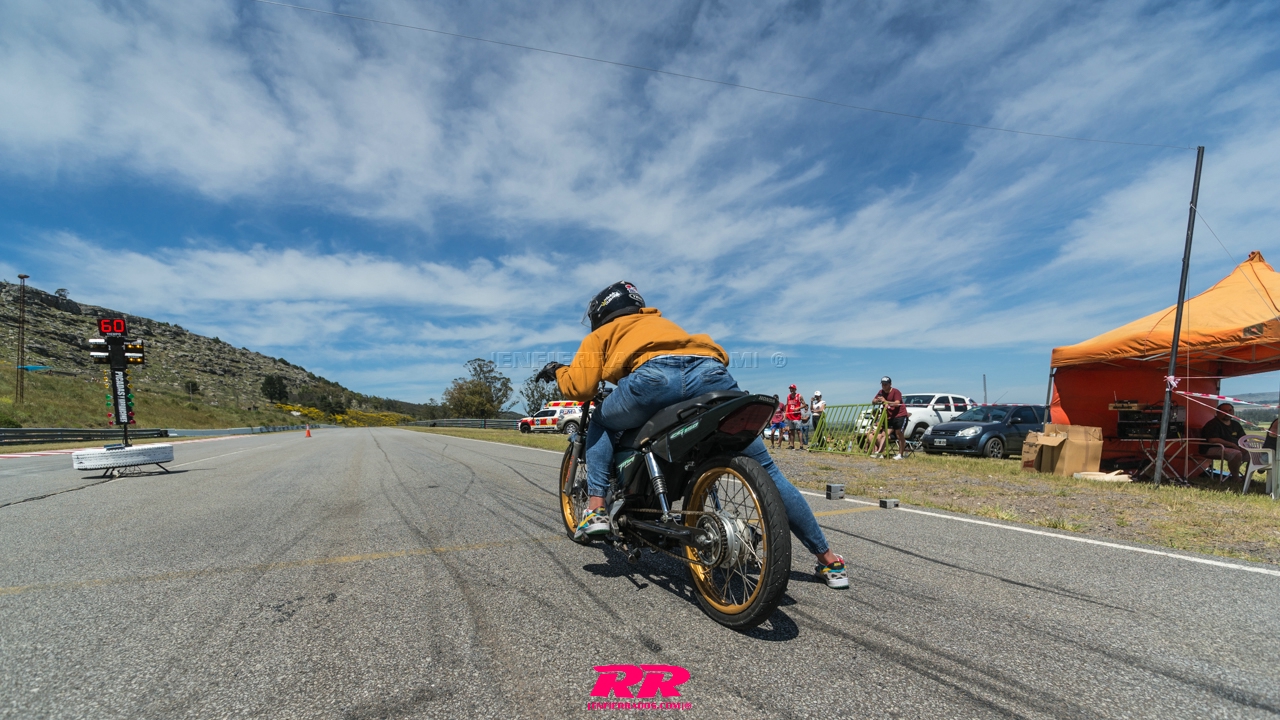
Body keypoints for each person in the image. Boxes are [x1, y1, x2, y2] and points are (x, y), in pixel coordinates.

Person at [536, 281, 849, 588]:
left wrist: (559, 371)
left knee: (602, 422)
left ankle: (595, 509)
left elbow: (581, 387)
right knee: (769, 473)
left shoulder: (603, 333)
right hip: (712, 374)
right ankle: (829, 560)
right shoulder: (663, 324)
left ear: (601, 313)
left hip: (653, 380)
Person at [1200, 403, 1247, 483]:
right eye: (1224, 411)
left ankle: (1247, 478)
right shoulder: (1213, 424)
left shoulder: (1236, 424)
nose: (1227, 413)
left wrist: (1244, 447)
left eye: (1230, 410)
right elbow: (1213, 440)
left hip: (1234, 448)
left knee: (1252, 454)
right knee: (1236, 453)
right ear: (1218, 412)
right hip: (1212, 448)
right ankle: (1236, 478)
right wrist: (1232, 445)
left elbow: (1243, 438)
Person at [870, 376, 908, 460]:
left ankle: (901, 454)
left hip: (900, 415)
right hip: (889, 417)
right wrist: (877, 400)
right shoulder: (880, 392)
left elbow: (897, 403)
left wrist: (886, 401)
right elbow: (873, 401)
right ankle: (879, 453)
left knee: (899, 434)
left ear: (890, 384)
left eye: (885, 384)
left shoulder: (896, 391)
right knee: (884, 434)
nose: (884, 386)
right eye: (882, 384)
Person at [784, 384, 806, 450]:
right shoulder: (788, 396)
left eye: (792, 388)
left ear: (795, 389)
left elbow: (804, 404)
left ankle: (801, 445)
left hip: (796, 416)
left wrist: (798, 408)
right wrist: (786, 414)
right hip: (790, 416)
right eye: (790, 388)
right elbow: (787, 405)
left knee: (798, 431)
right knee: (791, 431)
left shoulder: (799, 396)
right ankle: (792, 445)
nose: (791, 390)